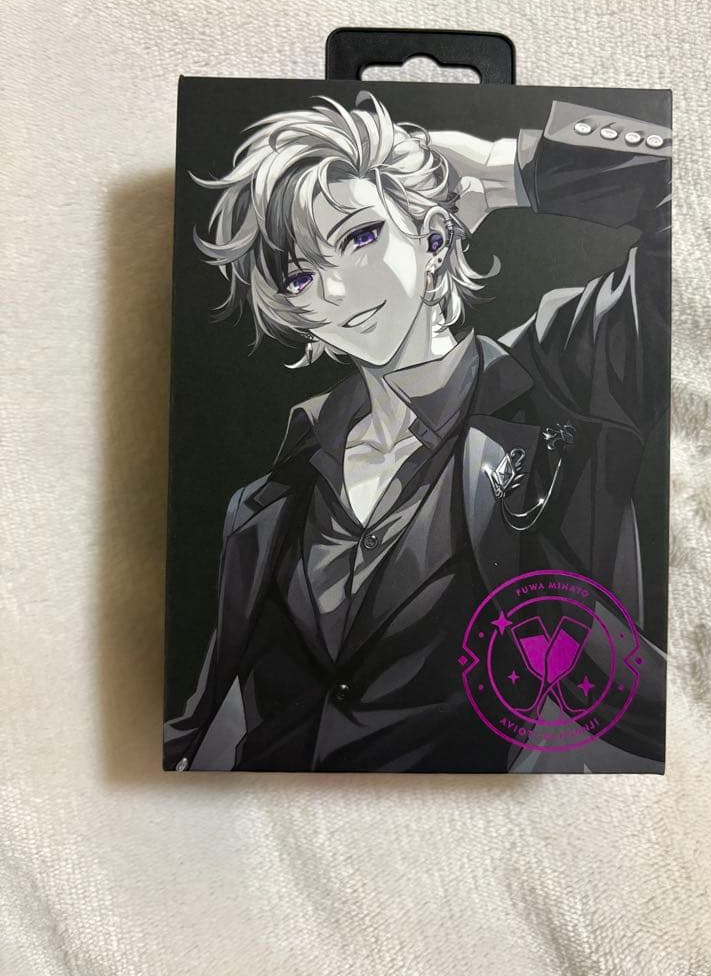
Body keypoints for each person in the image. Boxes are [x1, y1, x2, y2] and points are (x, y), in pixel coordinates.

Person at [163, 91, 671, 773]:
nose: (335, 291)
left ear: (433, 240)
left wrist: (509, 167)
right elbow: (201, 723)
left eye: (359, 238)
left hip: (495, 821)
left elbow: (701, 202)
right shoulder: (271, 495)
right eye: (302, 275)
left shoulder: (563, 380)